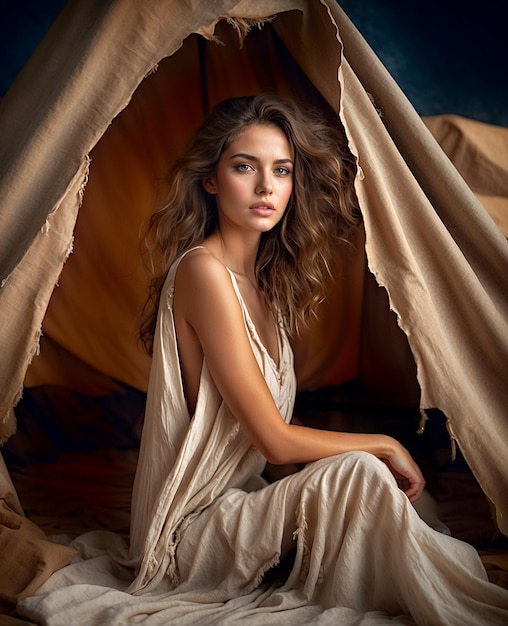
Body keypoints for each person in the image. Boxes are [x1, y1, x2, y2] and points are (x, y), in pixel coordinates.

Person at [127, 94, 508, 624]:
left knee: (373, 480)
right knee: (367, 471)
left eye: (281, 170)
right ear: (210, 180)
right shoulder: (203, 273)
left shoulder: (260, 283)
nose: (266, 187)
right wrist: (386, 444)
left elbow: (278, 444)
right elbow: (274, 440)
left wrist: (350, 471)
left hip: (245, 503)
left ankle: (429, 559)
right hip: (191, 533)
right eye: (245, 167)